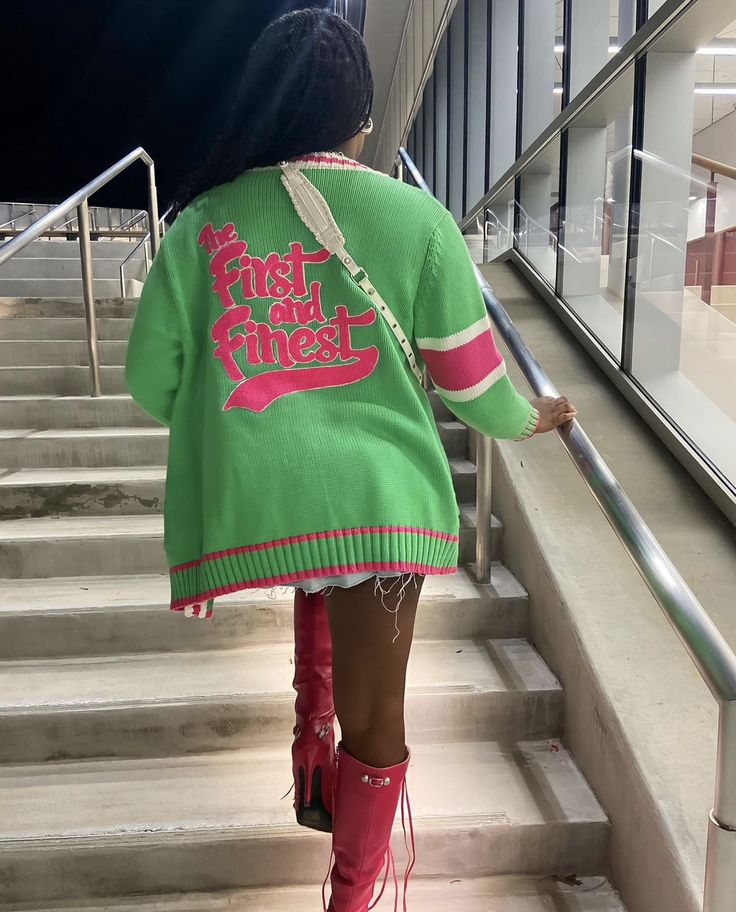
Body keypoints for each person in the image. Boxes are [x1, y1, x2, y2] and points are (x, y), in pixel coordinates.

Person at [125, 9, 576, 911]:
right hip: (378, 495)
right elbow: (467, 380)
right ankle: (352, 897)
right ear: (359, 122)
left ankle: (307, 751)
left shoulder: (199, 222)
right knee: (380, 719)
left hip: (266, 496)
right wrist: (534, 417)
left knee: (314, 560)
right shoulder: (414, 218)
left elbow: (148, 381)